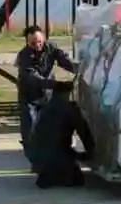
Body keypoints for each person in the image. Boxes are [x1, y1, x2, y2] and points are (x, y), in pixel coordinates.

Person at [15, 24, 77, 160]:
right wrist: (58, 85)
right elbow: (34, 79)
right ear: (27, 42)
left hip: (47, 94)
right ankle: (34, 159)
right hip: (29, 96)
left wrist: (79, 71)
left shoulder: (51, 48)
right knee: (30, 127)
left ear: (43, 38)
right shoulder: (23, 56)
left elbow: (64, 61)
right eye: (33, 43)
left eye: (39, 41)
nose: (37, 45)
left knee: (50, 127)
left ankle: (50, 155)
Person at [30, 79, 97, 188]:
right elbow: (84, 132)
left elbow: (34, 135)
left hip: (40, 159)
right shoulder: (70, 108)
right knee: (76, 180)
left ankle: (48, 175)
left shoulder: (44, 108)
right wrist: (90, 152)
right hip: (60, 157)